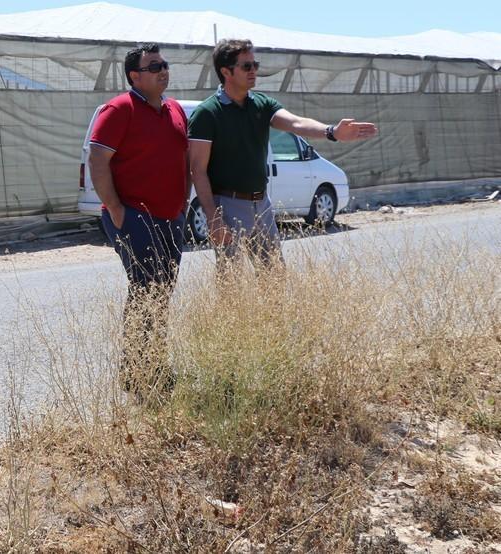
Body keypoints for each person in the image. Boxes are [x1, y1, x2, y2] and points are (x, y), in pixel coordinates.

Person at [188, 39, 378, 268]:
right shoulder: (207, 113)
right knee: (232, 282)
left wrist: (332, 132)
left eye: (255, 64)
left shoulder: (261, 104)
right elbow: (197, 170)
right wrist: (212, 217)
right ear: (226, 72)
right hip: (228, 205)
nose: (254, 71)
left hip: (262, 204)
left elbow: (296, 123)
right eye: (246, 66)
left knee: (274, 276)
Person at [88, 44, 190, 390]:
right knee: (146, 289)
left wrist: (183, 203)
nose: (164, 70)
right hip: (134, 218)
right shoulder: (120, 109)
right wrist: (116, 210)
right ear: (135, 76)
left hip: (171, 218)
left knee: (163, 291)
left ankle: (154, 364)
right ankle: (136, 373)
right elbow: (97, 161)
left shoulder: (175, 109)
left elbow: (182, 158)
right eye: (155, 66)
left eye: (165, 64)